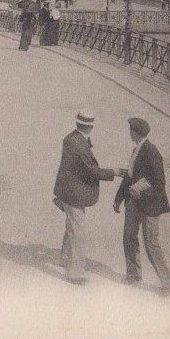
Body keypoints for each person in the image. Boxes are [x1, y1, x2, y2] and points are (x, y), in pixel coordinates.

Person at [52, 111, 115, 285]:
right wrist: (113, 173)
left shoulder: (70, 138)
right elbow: (91, 170)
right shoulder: (80, 144)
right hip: (75, 194)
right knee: (78, 233)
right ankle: (75, 273)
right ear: (90, 126)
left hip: (67, 191)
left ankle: (65, 259)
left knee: (71, 227)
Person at [114, 118, 170, 296]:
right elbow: (129, 176)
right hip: (133, 203)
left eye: (130, 131)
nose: (129, 133)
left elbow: (159, 183)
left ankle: (167, 284)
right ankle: (133, 274)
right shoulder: (136, 150)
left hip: (150, 206)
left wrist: (140, 193)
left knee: (152, 244)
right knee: (129, 237)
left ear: (135, 133)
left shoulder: (151, 152)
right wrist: (118, 199)